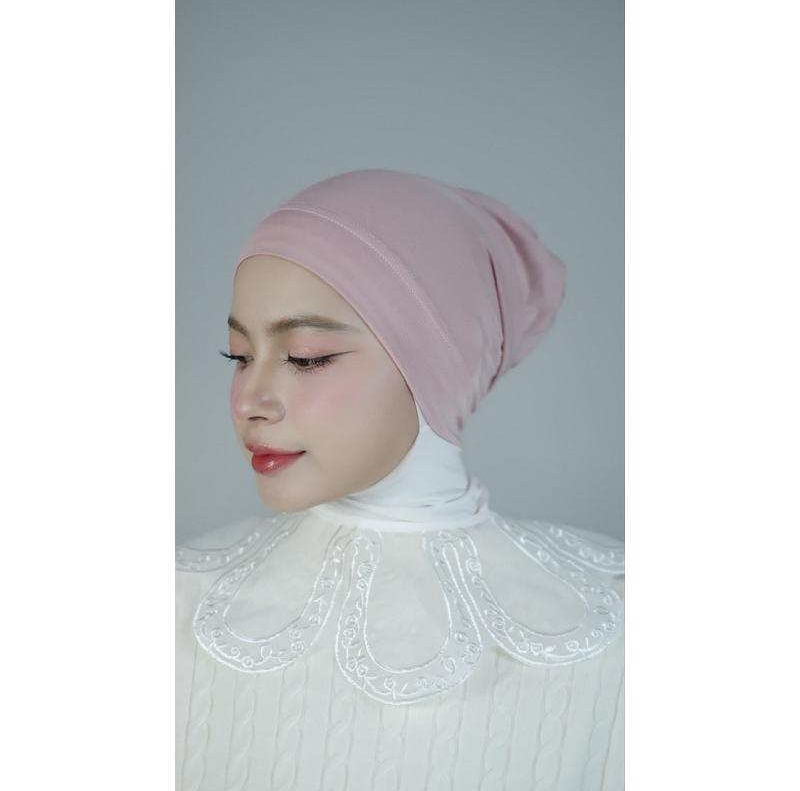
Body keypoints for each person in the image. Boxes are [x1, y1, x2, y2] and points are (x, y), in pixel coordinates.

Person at [175, 169, 624, 790]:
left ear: (440, 364)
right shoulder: (178, 603)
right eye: (240, 356)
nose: (251, 400)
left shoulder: (608, 627)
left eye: (305, 357)